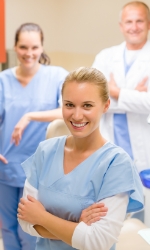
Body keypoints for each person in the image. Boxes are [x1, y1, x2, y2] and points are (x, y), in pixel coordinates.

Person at [17, 67, 143, 250]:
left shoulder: (115, 164)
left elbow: (98, 241)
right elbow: (26, 222)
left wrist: (42, 217)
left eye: (87, 105)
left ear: (106, 106)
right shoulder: (45, 151)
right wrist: (78, 225)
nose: (76, 115)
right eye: (69, 105)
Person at [0, 22, 69, 250]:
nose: (29, 53)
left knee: (31, 230)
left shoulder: (57, 76)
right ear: (15, 47)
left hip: (40, 167)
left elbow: (68, 110)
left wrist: (30, 116)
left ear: (42, 47)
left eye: (34, 47)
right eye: (23, 47)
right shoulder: (3, 80)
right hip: (6, 166)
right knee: (7, 227)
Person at [92, 1, 150, 172]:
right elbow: (93, 102)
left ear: (149, 23)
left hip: (145, 150)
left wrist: (115, 92)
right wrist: (133, 96)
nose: (134, 27)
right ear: (121, 26)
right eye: (129, 22)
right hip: (109, 146)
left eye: (139, 21)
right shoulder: (105, 57)